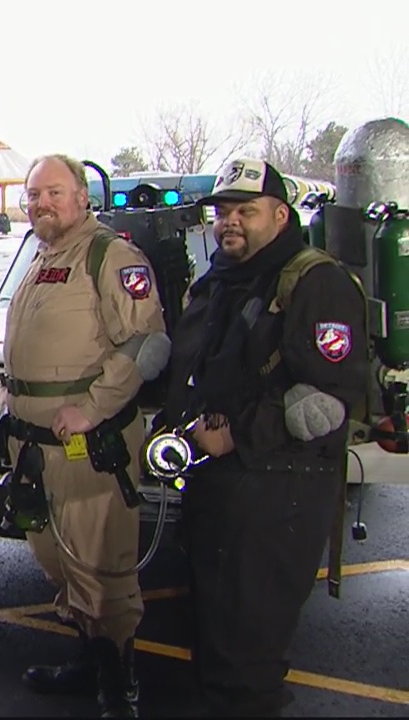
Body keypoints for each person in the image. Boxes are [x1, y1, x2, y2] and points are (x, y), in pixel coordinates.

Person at [159, 158, 367, 717]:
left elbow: (332, 396)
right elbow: (194, 367)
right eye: (223, 211)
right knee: (215, 645)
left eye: (245, 211)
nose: (230, 222)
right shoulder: (221, 280)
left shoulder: (314, 281)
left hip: (280, 490)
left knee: (248, 660)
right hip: (219, 488)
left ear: (280, 215)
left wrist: (240, 435)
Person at [0, 155, 168, 717]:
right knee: (61, 563)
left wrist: (94, 409)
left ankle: (119, 685)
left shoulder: (110, 256)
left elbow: (145, 344)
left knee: (103, 569)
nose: (41, 203)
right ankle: (88, 661)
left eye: (53, 192)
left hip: (88, 451)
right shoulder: (41, 258)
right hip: (36, 446)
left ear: (81, 197)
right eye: (33, 195)